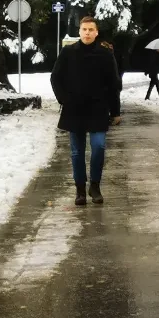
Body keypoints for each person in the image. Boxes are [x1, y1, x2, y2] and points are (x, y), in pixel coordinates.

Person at [50, 16, 122, 206]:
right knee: (77, 152)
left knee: (98, 146)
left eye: (91, 29)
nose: (88, 33)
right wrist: (64, 99)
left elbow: (114, 84)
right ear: (79, 31)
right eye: (84, 29)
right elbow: (55, 78)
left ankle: (95, 186)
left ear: (96, 32)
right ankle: (80, 190)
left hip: (98, 108)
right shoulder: (68, 52)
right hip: (75, 108)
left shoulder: (105, 54)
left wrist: (115, 111)